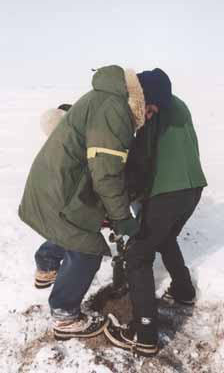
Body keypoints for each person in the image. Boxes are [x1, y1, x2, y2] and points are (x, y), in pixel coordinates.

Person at [18, 65, 172, 340]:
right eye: (152, 108)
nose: (150, 116)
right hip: (64, 188)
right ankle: (65, 316)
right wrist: (122, 217)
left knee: (74, 230)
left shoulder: (108, 99)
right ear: (144, 97)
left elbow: (102, 166)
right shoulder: (116, 111)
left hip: (59, 183)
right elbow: (107, 173)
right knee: (86, 248)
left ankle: (47, 267)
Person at [104, 90, 207, 356]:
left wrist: (120, 199)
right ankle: (184, 290)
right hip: (193, 188)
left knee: (138, 255)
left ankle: (144, 333)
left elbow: (139, 160)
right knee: (163, 237)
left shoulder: (151, 115)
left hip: (168, 193)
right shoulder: (178, 104)